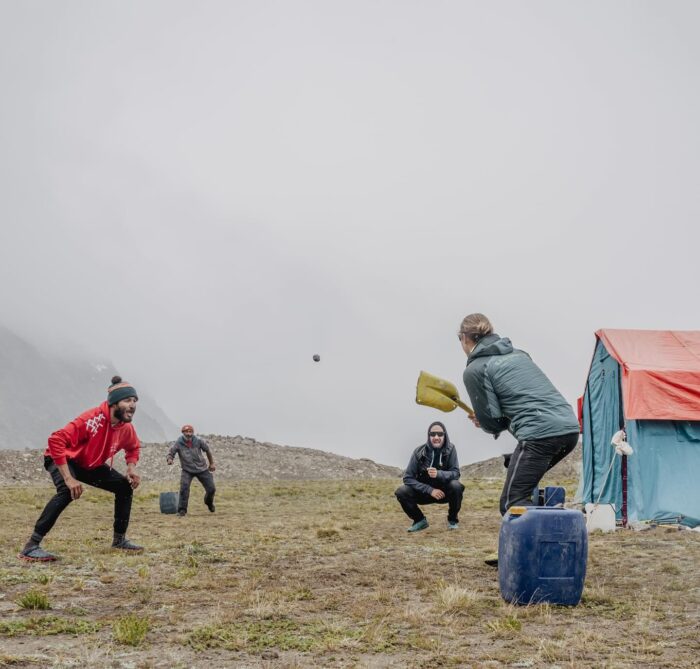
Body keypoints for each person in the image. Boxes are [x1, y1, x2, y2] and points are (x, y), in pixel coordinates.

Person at [458, 313, 580, 518]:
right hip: (569, 430)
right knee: (523, 489)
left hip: (539, 436)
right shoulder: (520, 355)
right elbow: (522, 402)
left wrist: (483, 420)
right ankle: (552, 524)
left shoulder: (475, 369)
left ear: (464, 338)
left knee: (512, 503)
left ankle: (543, 543)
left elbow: (493, 423)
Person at [18, 376, 144, 562]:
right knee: (66, 491)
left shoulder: (126, 428)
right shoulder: (92, 419)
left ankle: (119, 541)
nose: (132, 405)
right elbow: (56, 440)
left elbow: (133, 447)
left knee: (124, 487)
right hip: (61, 457)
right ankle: (30, 547)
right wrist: (69, 479)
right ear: (114, 403)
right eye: (127, 400)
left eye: (135, 401)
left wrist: (131, 468)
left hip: (88, 463)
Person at [395, 421, 464, 532]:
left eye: (440, 434)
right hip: (424, 493)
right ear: (428, 436)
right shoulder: (418, 452)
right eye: (432, 434)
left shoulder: (451, 449)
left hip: (444, 493)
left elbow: (456, 473)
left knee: (456, 486)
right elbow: (408, 478)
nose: (436, 437)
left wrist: (439, 474)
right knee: (401, 491)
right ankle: (419, 520)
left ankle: (452, 520)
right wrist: (429, 490)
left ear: (444, 435)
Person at [166, 425, 216, 516]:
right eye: (186, 432)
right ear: (183, 433)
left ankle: (208, 502)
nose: (189, 434)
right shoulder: (178, 442)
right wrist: (170, 459)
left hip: (202, 468)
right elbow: (171, 453)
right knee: (184, 488)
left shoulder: (199, 441)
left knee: (211, 488)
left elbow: (207, 450)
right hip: (187, 469)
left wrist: (211, 463)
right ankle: (182, 510)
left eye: (190, 432)